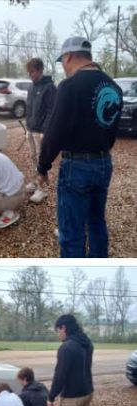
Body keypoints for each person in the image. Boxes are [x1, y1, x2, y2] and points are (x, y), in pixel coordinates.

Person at [36, 37, 123, 257]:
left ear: (69, 57)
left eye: (62, 61)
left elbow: (55, 133)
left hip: (77, 168)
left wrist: (43, 166)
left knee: (71, 232)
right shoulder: (114, 87)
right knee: (96, 222)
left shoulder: (69, 86)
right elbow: (111, 132)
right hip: (104, 163)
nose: (63, 67)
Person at [24, 58, 57, 204]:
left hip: (41, 131)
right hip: (30, 129)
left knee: (40, 159)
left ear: (40, 70)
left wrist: (45, 130)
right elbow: (29, 107)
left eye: (32, 72)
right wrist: (27, 125)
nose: (30, 75)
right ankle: (34, 181)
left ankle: (41, 189)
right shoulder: (31, 87)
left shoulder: (49, 87)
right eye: (29, 72)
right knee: (32, 157)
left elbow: (52, 111)